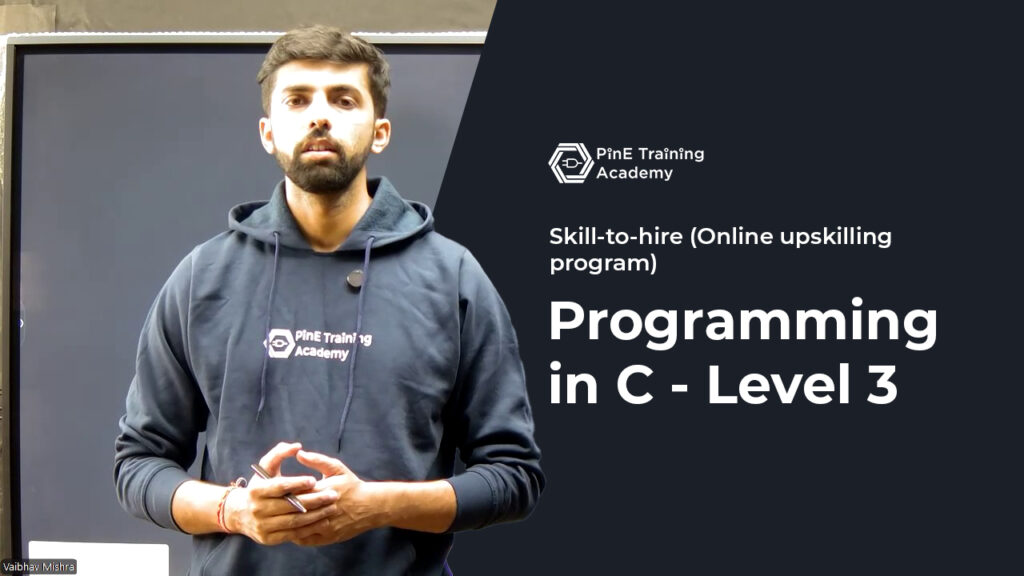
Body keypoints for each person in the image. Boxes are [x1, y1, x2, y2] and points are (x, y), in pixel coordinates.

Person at [113, 25, 543, 575]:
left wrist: (379, 505)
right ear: (268, 132)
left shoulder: (453, 277)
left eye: (343, 100)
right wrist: (232, 510)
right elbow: (139, 464)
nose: (319, 116)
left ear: (380, 132)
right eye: (298, 100)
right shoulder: (203, 277)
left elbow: (513, 475)